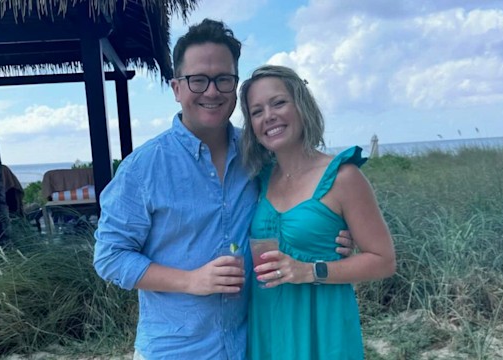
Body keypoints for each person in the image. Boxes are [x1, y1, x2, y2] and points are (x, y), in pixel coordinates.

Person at [93, 19, 354, 360]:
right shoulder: (142, 169)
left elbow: (293, 205)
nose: (212, 91)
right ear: (176, 88)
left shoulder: (260, 156)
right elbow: (110, 257)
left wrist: (330, 236)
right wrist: (191, 281)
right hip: (176, 350)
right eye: (198, 80)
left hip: (252, 342)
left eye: (223, 79)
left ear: (235, 85)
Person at [239, 65, 396, 360]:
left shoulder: (343, 177)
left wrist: (310, 270)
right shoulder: (258, 180)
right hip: (268, 325)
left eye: (278, 103)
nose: (268, 116)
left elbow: (383, 261)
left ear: (301, 105)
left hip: (322, 328)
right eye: (256, 111)